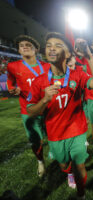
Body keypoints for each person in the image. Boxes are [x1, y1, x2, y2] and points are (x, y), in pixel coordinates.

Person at [27, 32, 93, 199]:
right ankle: (68, 173)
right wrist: (45, 100)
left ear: (68, 54)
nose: (52, 48)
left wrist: (89, 55)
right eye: (49, 46)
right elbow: (31, 111)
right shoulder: (39, 81)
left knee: (79, 164)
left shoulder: (78, 74)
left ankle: (81, 195)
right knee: (64, 165)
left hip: (77, 130)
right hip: (55, 134)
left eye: (58, 45)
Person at [6, 35, 50, 177]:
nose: (24, 47)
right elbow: (10, 82)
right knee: (35, 139)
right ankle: (40, 161)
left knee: (53, 134)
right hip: (28, 109)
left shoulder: (46, 66)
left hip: (47, 107)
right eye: (21, 45)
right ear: (18, 50)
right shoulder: (13, 66)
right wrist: (12, 89)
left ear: (36, 49)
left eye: (28, 45)